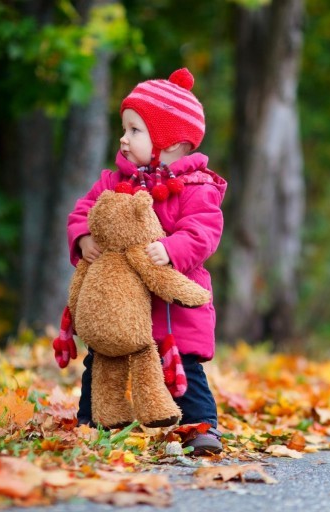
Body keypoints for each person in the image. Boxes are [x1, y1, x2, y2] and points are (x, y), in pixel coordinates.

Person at [66, 68, 227, 456]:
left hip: (174, 309)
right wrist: (84, 237)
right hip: (120, 306)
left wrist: (172, 250)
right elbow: (82, 212)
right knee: (101, 360)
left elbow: (204, 231)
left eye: (135, 130)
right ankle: (94, 421)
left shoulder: (196, 188)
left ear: (172, 143)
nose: (124, 139)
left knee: (184, 370)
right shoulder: (113, 183)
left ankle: (200, 428)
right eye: (124, 129)